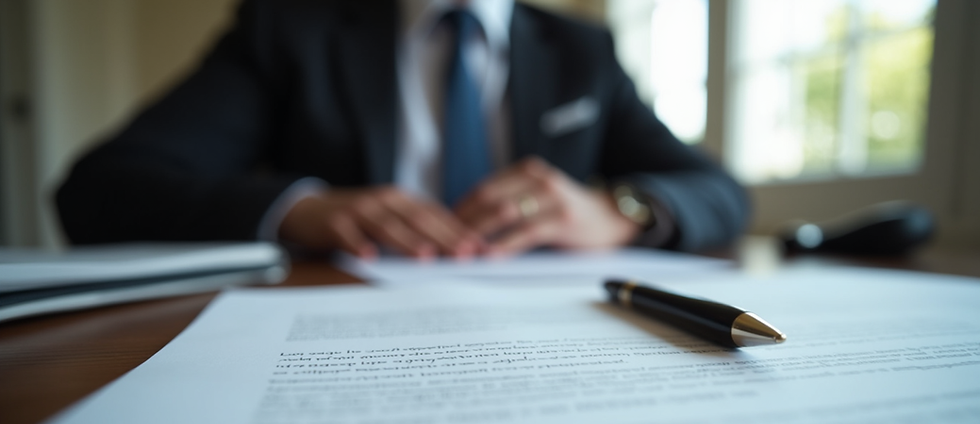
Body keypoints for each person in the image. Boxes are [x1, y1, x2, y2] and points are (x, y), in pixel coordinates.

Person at [56, 0, 749, 259]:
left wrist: (618, 209)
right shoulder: (288, 30)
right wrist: (297, 208)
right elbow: (98, 190)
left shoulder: (581, 52)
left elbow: (720, 191)